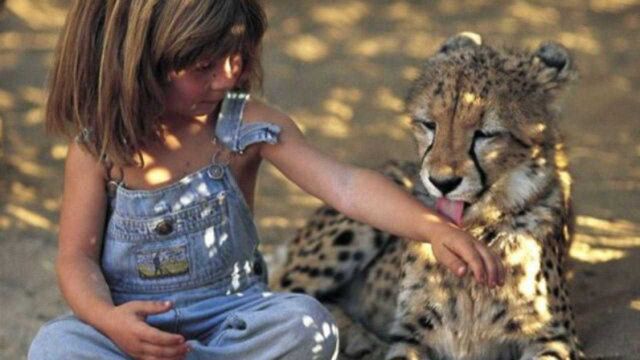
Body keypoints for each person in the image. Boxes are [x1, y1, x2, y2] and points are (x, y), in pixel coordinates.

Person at [29, 1, 505, 359]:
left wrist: (433, 228)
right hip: (129, 334)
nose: (226, 78)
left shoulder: (247, 125)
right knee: (56, 344)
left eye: (236, 59)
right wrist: (107, 321)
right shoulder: (99, 148)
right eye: (203, 67)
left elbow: (344, 185)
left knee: (306, 324)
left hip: (230, 326)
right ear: (137, 65)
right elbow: (76, 257)